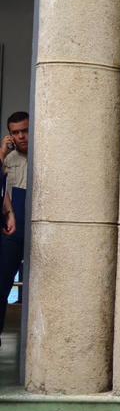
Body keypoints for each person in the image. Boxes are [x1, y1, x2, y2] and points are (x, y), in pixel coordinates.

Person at [0, 112, 28, 344]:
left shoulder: (45, 153)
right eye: (16, 132)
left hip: (41, 224)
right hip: (13, 228)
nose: (21, 136)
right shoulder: (7, 159)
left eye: (25, 130)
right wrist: (1, 153)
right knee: (2, 282)